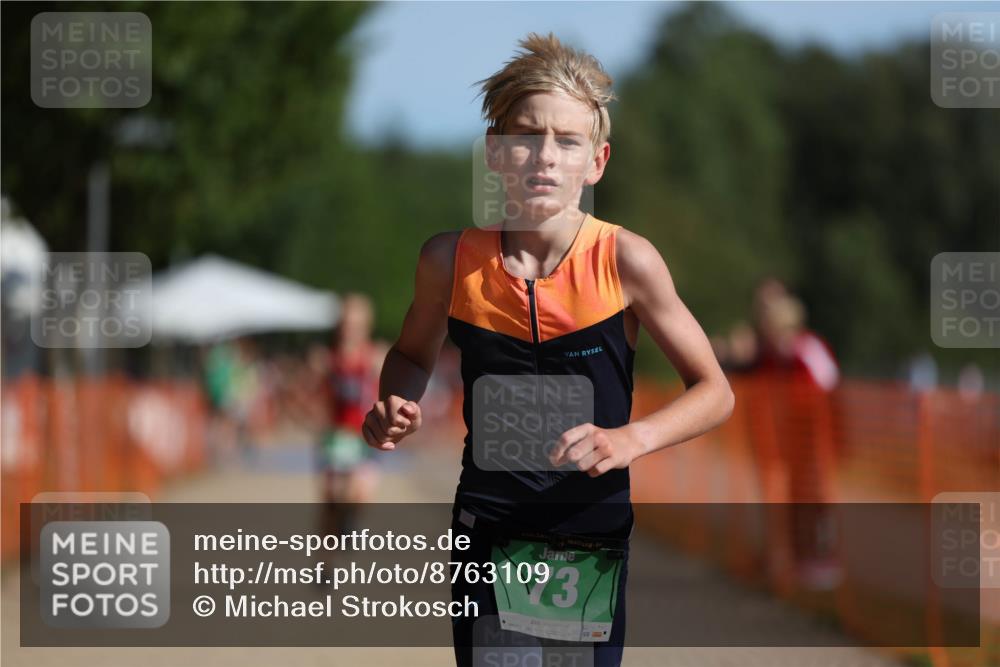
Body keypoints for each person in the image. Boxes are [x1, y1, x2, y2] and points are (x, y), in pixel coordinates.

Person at [361, 33, 733, 667]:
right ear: (496, 154)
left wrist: (630, 440)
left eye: (568, 141)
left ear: (597, 162)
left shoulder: (626, 261)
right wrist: (394, 402)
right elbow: (412, 355)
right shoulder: (448, 261)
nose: (545, 156)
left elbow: (715, 391)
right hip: (490, 525)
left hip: (587, 531)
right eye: (528, 136)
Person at [318, 294, 382, 542]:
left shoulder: (374, 357)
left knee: (361, 493)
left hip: (365, 437)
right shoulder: (330, 359)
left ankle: (349, 521)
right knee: (332, 499)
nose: (349, 330)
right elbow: (321, 396)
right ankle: (325, 564)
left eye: (355, 325)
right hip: (337, 435)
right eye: (345, 324)